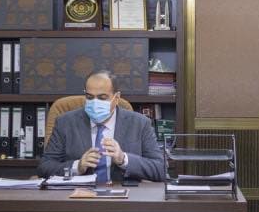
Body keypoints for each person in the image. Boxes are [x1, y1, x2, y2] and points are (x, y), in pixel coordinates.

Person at [37, 70, 166, 182]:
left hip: (122, 197)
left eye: (102, 98)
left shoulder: (140, 124)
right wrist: (77, 166)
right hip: (78, 196)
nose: (95, 103)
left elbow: (161, 169)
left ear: (116, 98)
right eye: (89, 97)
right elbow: (45, 167)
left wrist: (123, 159)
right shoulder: (65, 123)